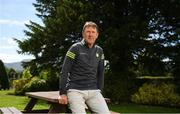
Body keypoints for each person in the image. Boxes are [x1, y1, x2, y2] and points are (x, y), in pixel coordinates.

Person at [58, 21, 110, 113]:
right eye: (88, 32)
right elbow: (64, 71)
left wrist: (100, 91)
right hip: (75, 91)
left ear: (97, 35)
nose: (90, 35)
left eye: (93, 32)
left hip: (94, 91)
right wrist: (62, 93)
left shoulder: (100, 51)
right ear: (83, 34)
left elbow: (101, 72)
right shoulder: (75, 48)